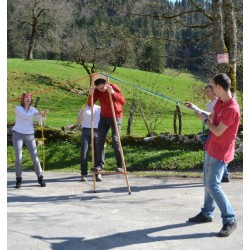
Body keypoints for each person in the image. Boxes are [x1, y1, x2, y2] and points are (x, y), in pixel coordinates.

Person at [185, 73, 240, 237]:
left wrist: (205, 120)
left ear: (217, 87)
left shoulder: (231, 109)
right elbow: (212, 117)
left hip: (221, 152)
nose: (212, 90)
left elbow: (216, 130)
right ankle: (206, 213)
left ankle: (230, 219)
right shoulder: (220, 103)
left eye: (213, 86)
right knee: (207, 183)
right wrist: (195, 108)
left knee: (212, 185)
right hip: (211, 148)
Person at [88, 78, 126, 173]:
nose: (101, 90)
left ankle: (121, 165)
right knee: (99, 140)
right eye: (99, 89)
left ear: (106, 84)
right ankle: (99, 165)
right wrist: (91, 94)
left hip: (115, 116)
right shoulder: (97, 90)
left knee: (115, 140)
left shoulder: (113, 87)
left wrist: (113, 92)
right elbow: (90, 103)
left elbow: (123, 101)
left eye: (102, 88)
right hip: (104, 117)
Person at [12, 93, 48, 188]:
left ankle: (40, 177)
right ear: (23, 99)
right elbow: (25, 116)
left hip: (30, 135)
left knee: (35, 157)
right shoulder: (18, 108)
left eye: (30, 97)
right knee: (18, 158)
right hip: (17, 134)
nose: (28, 99)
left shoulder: (33, 110)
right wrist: (37, 113)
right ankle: (18, 179)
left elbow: (41, 120)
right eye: (26, 97)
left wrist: (44, 115)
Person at [204, 84, 229, 183]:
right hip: (212, 128)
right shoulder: (209, 104)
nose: (206, 93)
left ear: (214, 92)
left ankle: (224, 174)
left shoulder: (217, 102)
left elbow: (214, 117)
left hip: (218, 128)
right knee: (212, 151)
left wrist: (205, 119)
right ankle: (222, 174)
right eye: (205, 91)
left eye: (208, 91)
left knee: (218, 153)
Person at [77, 104, 102, 182]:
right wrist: (83, 110)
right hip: (86, 131)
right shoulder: (84, 107)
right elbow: (78, 120)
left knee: (97, 153)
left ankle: (97, 173)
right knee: (84, 152)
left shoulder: (99, 108)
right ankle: (84, 174)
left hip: (96, 131)